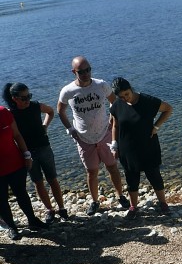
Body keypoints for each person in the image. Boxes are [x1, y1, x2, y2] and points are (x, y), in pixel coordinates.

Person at [57, 56, 130, 216]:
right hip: (83, 138)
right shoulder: (68, 91)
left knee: (112, 167)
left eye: (88, 70)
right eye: (81, 71)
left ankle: (121, 196)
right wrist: (70, 128)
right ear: (73, 72)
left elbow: (114, 102)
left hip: (105, 133)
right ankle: (95, 201)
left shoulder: (101, 85)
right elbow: (60, 110)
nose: (85, 74)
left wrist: (112, 119)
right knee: (92, 171)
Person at [3, 82, 68, 224]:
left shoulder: (35, 106)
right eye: (23, 98)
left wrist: (45, 126)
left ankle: (62, 208)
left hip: (44, 147)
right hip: (27, 153)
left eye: (29, 96)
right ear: (14, 98)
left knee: (53, 179)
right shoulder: (11, 114)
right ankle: (50, 210)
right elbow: (13, 134)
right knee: (38, 182)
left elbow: (50, 111)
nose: (27, 100)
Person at [109, 77, 173, 218]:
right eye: (121, 96)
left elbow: (168, 109)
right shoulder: (117, 104)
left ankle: (163, 203)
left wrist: (156, 126)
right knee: (131, 177)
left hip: (148, 145)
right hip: (127, 148)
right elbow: (115, 125)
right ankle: (133, 207)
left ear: (131, 88)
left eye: (127, 94)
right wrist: (114, 144)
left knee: (154, 174)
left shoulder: (147, 101)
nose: (125, 98)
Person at [0, 106, 48, 240]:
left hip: (15, 162)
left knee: (21, 193)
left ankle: (32, 220)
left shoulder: (4, 112)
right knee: (1, 199)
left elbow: (17, 135)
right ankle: (12, 227)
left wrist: (27, 155)